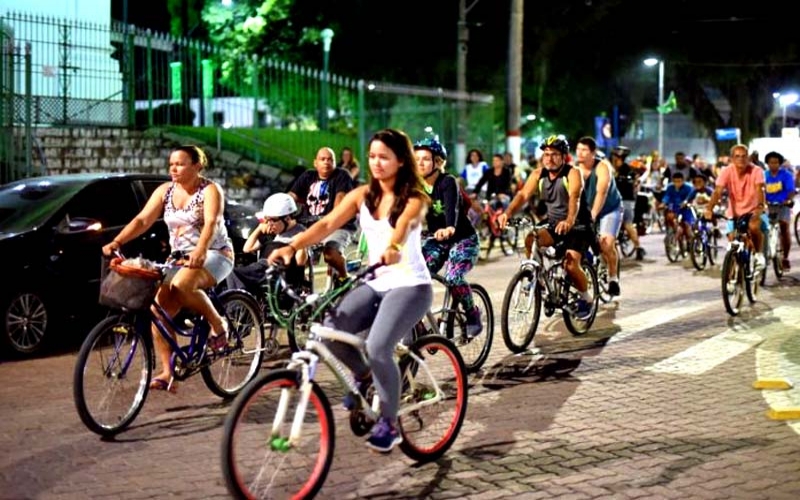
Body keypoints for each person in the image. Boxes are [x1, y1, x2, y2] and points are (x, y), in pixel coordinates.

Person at [269, 128, 432, 453]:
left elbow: (403, 226)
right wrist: (292, 245)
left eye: (384, 157)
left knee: (378, 346)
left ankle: (388, 422)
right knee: (328, 332)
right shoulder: (362, 195)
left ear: (401, 161)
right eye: (372, 156)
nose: (377, 163)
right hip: (374, 282)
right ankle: (366, 376)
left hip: (410, 286)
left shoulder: (414, 198)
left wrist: (395, 247)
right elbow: (327, 224)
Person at [101, 145, 234, 393]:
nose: (174, 168)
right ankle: (167, 372)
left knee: (182, 285)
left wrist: (201, 250)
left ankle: (218, 324)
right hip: (179, 259)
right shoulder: (165, 191)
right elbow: (142, 220)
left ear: (197, 166)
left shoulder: (210, 190)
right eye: (171, 163)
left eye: (180, 164)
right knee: (158, 311)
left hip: (215, 254)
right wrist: (117, 241)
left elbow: (213, 222)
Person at [497, 135, 595, 319]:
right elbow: (522, 195)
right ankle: (539, 280)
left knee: (571, 265)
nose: (549, 158)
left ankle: (586, 299)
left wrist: (569, 220)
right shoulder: (538, 174)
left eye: (555, 154)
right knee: (531, 239)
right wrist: (507, 213)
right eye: (546, 154)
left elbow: (575, 197)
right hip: (553, 222)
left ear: (564, 156)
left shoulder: (572, 173)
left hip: (579, 225)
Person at [413, 137, 483, 337]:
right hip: (437, 240)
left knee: (453, 277)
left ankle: (472, 314)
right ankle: (416, 323)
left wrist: (450, 227)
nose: (420, 163)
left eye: (426, 159)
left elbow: (452, 207)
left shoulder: (447, 182)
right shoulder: (416, 187)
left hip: (463, 239)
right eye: (417, 159)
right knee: (414, 275)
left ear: (438, 162)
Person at [288, 146, 355, 282]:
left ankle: (344, 278)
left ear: (335, 163)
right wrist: (280, 209)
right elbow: (290, 197)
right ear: (315, 163)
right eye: (322, 159)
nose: (326, 162)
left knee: (330, 253)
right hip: (310, 225)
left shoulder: (342, 175)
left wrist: (331, 220)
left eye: (330, 159)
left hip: (338, 226)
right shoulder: (307, 176)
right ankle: (300, 284)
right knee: (291, 253)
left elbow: (340, 202)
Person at [225, 193, 307, 298]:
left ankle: (239, 306)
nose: (269, 224)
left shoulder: (300, 232)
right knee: (229, 273)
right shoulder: (272, 232)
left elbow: (301, 262)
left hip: (277, 273)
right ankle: (241, 305)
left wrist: (301, 244)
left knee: (234, 274)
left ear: (287, 218)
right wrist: (259, 229)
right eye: (267, 220)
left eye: (273, 220)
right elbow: (247, 249)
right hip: (261, 269)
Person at [705, 144, 768, 272]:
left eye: (744, 156)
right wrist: (709, 209)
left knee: (754, 227)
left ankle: (758, 255)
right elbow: (717, 191)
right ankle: (733, 278)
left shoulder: (756, 171)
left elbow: (760, 189)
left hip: (754, 210)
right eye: (737, 156)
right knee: (733, 244)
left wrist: (760, 206)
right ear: (732, 159)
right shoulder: (726, 171)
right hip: (734, 213)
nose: (741, 159)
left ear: (748, 158)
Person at [576, 137, 624, 297]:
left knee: (606, 244)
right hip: (588, 211)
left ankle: (613, 279)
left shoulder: (602, 167)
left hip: (610, 209)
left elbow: (601, 193)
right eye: (578, 149)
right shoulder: (575, 170)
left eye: (584, 150)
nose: (580, 153)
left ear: (593, 153)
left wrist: (593, 215)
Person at [610, 145, 646, 260]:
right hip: (613, 200)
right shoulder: (612, 170)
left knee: (627, 224)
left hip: (626, 201)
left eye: (615, 157)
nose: (613, 159)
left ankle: (638, 248)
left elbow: (636, 182)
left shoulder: (627, 170)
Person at [763, 151, 795, 270]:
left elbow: (791, 190)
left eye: (776, 162)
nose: (773, 165)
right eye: (771, 162)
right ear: (767, 163)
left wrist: (788, 200)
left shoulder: (786, 175)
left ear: (780, 163)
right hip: (767, 206)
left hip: (783, 205)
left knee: (784, 227)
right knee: (762, 227)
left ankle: (785, 257)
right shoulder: (763, 175)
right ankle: (762, 253)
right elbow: (759, 190)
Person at [659, 172, 695, 249]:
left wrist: (686, 203)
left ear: (683, 180)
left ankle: (690, 242)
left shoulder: (688, 187)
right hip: (674, 208)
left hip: (686, 209)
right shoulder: (670, 187)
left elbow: (691, 197)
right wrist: (663, 203)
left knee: (687, 225)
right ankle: (673, 233)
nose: (677, 183)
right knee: (670, 218)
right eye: (675, 181)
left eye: (679, 181)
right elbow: (667, 196)